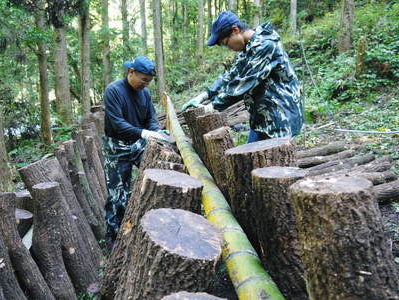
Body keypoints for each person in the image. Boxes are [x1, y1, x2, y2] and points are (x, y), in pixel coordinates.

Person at [182, 11, 303, 142]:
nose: (228, 47)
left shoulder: (265, 45)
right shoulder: (248, 49)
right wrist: (204, 95)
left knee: (274, 159)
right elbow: (230, 75)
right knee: (252, 158)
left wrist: (211, 107)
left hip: (281, 117)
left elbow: (243, 83)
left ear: (235, 30)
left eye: (225, 42)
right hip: (262, 117)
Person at [102, 56, 169, 245]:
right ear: (131, 72)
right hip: (116, 146)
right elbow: (117, 123)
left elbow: (151, 118)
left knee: (159, 176)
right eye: (144, 79)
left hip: (138, 143)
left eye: (149, 81)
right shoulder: (114, 91)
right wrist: (144, 133)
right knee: (117, 195)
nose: (145, 84)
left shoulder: (145, 94)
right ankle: (113, 238)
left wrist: (156, 131)